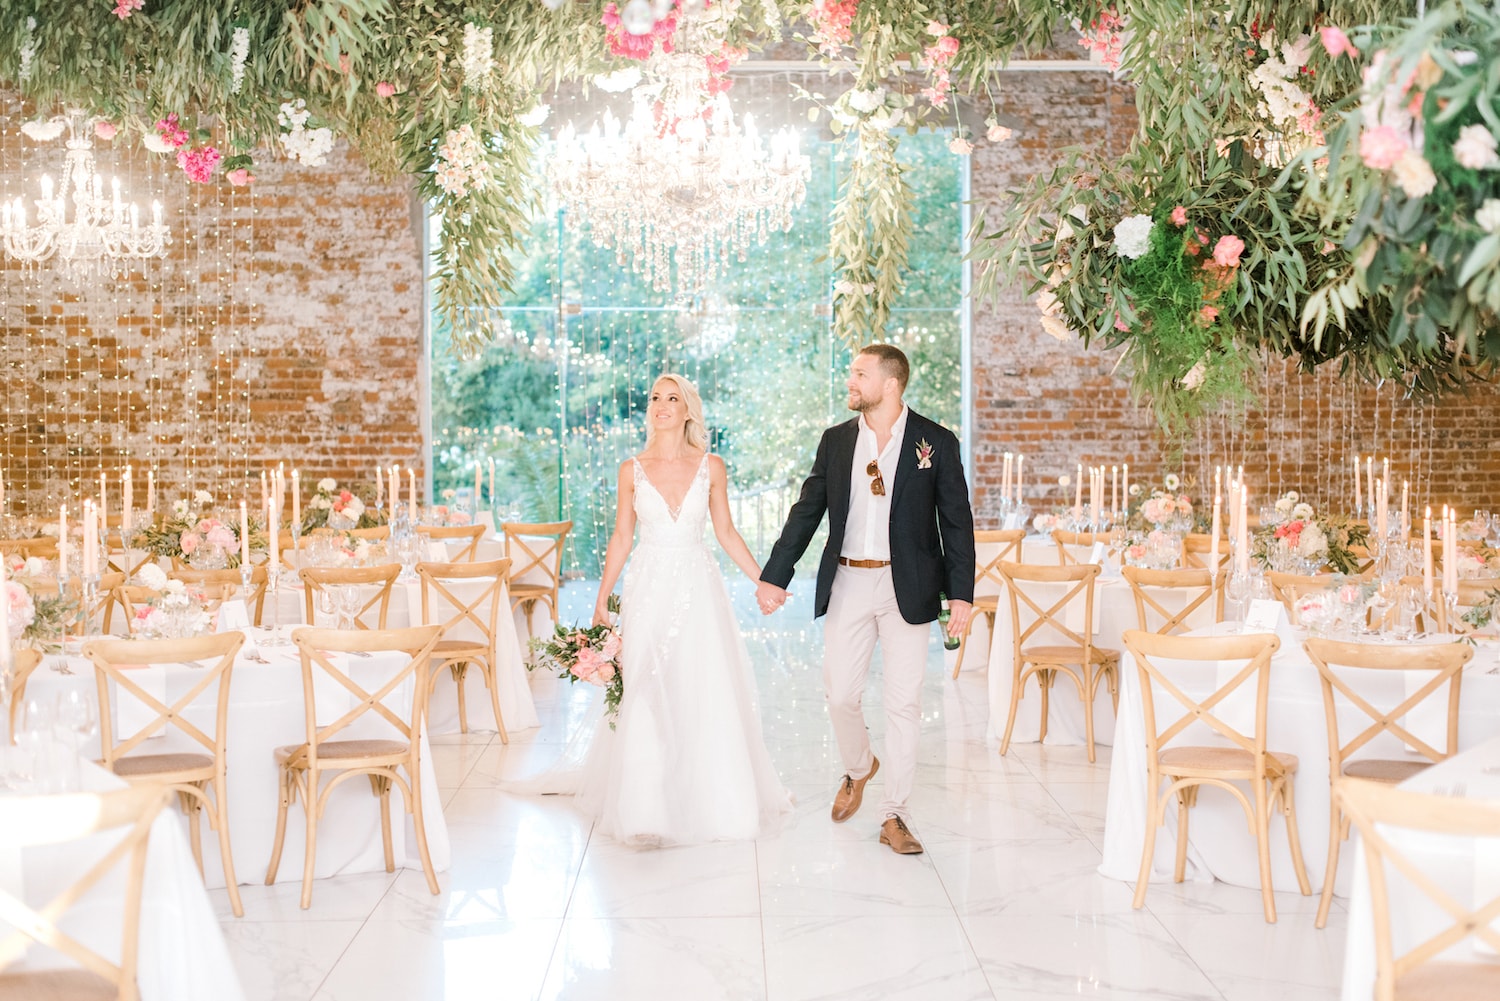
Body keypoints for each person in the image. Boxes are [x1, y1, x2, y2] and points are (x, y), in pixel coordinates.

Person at [757, 344, 974, 856]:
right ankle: (859, 768)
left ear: (891, 382)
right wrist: (775, 574)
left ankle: (894, 814)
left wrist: (961, 594)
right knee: (840, 696)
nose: (850, 380)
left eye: (860, 373)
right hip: (850, 582)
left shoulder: (935, 442)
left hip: (911, 586)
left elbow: (956, 521)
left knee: (904, 704)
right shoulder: (836, 442)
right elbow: (807, 510)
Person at [576, 373, 792, 847]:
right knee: (646, 688)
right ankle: (644, 808)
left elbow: (728, 533)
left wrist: (765, 581)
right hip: (647, 586)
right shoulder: (630, 469)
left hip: (697, 587)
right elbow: (621, 537)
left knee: (700, 685)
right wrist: (601, 600)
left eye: (672, 398)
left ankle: (715, 805)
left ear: (688, 410)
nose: (661, 405)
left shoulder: (711, 466)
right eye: (655, 397)